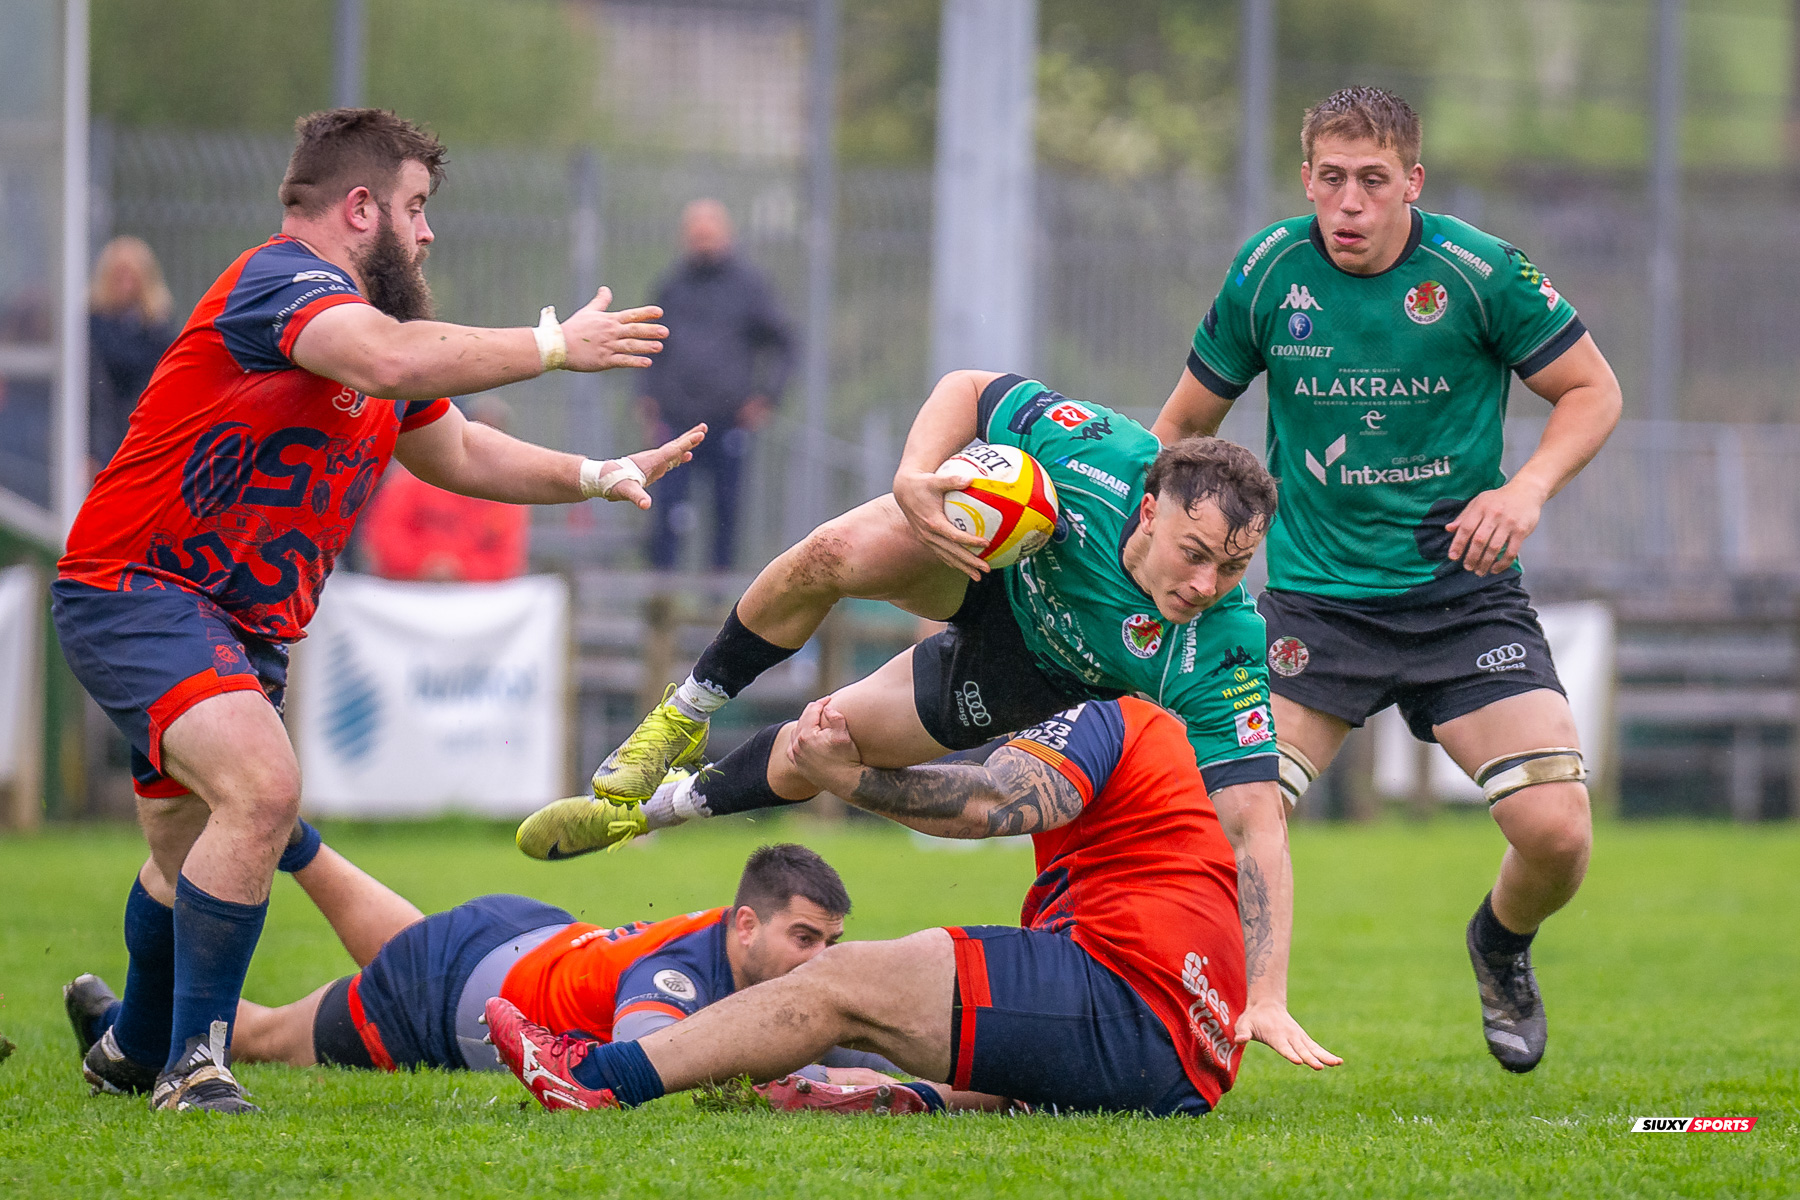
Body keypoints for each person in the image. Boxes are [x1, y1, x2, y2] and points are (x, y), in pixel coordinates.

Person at [51, 107, 706, 1114]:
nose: (427, 231)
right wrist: (552, 344)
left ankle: (132, 1044)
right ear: (360, 209)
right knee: (264, 793)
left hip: (235, 620)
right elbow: (396, 363)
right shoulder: (286, 283)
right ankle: (194, 1066)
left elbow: (459, 451)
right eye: (415, 207)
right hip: (142, 584)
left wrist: (595, 470)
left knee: (187, 851)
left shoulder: (368, 338)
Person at [521, 369, 1338, 1072]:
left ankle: (652, 811)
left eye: (1232, 567)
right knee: (830, 554)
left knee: (829, 740)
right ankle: (681, 715)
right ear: (1152, 509)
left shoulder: (1226, 644)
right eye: (1194, 554)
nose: (1206, 583)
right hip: (982, 568)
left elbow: (1255, 825)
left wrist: (1265, 995)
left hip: (1026, 677)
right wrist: (916, 475)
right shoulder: (1101, 455)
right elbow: (972, 390)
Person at [1155, 87, 1622, 1074]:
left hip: (1462, 595)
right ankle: (1209, 1011)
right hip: (1317, 605)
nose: (1351, 204)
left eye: (1374, 182)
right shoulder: (1266, 273)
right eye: (1332, 180)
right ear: (1306, 180)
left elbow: (1593, 389)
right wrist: (1157, 537)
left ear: (1413, 181)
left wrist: (1528, 489)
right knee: (1233, 814)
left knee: (1557, 832)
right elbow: (1180, 429)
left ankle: (1500, 943)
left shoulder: (1477, 271)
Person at [491, 694, 1331, 1117]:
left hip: (1132, 1001)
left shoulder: (1113, 710)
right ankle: (893, 1096)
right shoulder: (1178, 737)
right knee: (925, 1008)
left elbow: (986, 805)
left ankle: (599, 1078)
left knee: (842, 979)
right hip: (1191, 1044)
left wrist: (842, 777)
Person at [67, 837, 867, 1080]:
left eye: (827, 943)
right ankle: (119, 1029)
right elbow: (645, 1062)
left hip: (516, 936)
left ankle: (286, 833)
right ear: (745, 926)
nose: (817, 960)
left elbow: (839, 1031)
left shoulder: (739, 947)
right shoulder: (683, 976)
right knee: (271, 1034)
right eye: (804, 939)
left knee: (413, 944)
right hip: (442, 997)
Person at [637, 199, 796, 571]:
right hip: (676, 421)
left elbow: (784, 344)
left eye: (710, 235)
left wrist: (767, 398)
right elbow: (649, 344)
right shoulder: (671, 286)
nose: (703, 243)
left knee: (726, 514)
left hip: (729, 421)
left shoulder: (750, 287)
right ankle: (663, 595)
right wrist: (646, 397)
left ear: (727, 236)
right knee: (667, 513)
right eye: (696, 235)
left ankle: (717, 602)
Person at [357, 394, 532, 581]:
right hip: (407, 591)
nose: (487, 444)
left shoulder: (507, 497)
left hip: (474, 599)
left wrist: (460, 571)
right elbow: (384, 534)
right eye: (480, 431)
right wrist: (423, 567)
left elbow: (508, 559)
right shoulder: (412, 477)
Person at [88, 235, 179, 467]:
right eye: (118, 275)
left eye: (131, 275)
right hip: (103, 434)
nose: (125, 283)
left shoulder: (158, 329)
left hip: (144, 433)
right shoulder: (92, 327)